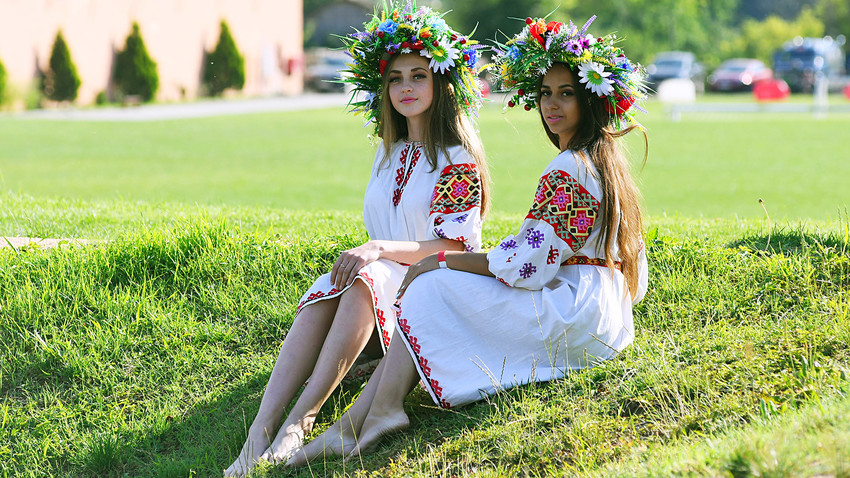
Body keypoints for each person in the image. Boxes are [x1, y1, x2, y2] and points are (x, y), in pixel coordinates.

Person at [287, 14, 649, 465]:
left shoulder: (570, 168)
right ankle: (362, 418)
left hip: (575, 318)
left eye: (567, 93)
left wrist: (443, 263)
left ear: (593, 102)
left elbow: (526, 265)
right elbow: (633, 276)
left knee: (432, 284)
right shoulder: (605, 167)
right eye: (544, 93)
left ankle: (373, 413)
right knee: (433, 282)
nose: (551, 105)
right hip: (607, 318)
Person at [223, 2, 490, 476]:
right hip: (379, 282)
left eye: (418, 76)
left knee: (366, 272)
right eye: (395, 79)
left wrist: (378, 249)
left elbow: (453, 247)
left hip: (430, 286)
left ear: (441, 85)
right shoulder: (386, 155)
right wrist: (374, 255)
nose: (405, 88)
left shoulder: (456, 160)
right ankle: (259, 432)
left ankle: (298, 424)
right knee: (329, 286)